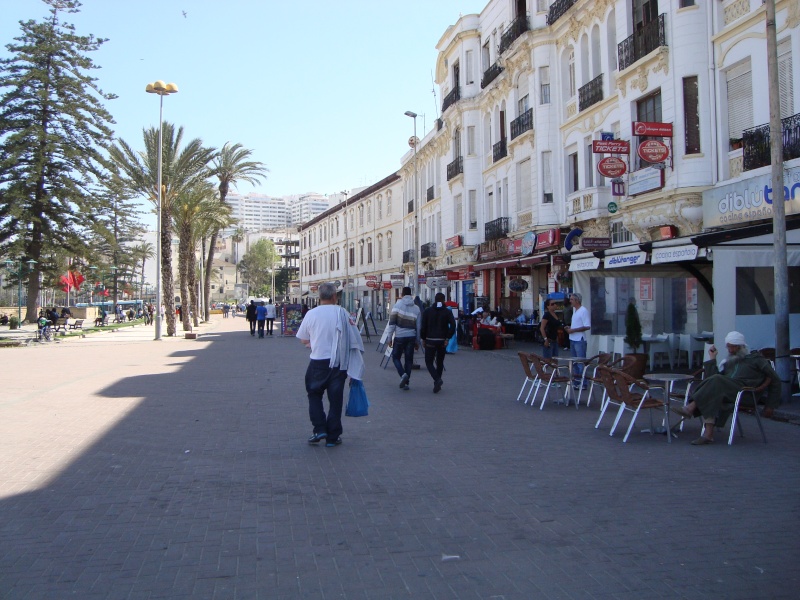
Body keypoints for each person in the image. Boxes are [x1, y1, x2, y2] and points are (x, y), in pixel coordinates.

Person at [672, 331, 780, 445]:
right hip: (727, 391)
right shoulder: (730, 362)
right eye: (728, 347)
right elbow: (711, 379)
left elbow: (776, 380)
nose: (730, 350)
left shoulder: (756, 359)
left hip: (745, 394)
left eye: (733, 347)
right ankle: (708, 435)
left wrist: (770, 405)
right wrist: (712, 359)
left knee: (717, 382)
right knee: (712, 392)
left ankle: (690, 408)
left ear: (741, 346)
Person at [296, 282, 364, 448]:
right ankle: (333, 436)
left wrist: (314, 342)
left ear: (319, 297)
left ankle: (319, 429)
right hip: (338, 363)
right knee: (335, 399)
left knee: (314, 394)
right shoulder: (343, 313)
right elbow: (354, 338)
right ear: (335, 296)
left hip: (318, 361)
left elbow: (304, 339)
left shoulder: (311, 314)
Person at [386, 286, 422, 391]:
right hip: (411, 336)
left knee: (396, 357)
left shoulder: (397, 306)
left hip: (400, 336)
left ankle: (403, 375)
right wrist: (417, 340)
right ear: (410, 295)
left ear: (402, 294)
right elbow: (418, 326)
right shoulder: (416, 308)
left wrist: (389, 338)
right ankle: (406, 382)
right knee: (409, 360)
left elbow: (392, 324)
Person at [420, 292, 457, 393]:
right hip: (442, 340)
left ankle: (437, 379)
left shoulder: (427, 311)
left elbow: (423, 327)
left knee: (428, 362)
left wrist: (423, 338)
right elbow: (453, 325)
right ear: (443, 300)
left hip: (430, 340)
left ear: (434, 300)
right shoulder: (447, 312)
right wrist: (447, 337)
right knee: (440, 362)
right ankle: (437, 383)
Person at [564, 292, 590, 388]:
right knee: (574, 362)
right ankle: (577, 381)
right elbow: (578, 324)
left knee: (580, 362)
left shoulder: (583, 311)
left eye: (571, 299)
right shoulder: (575, 311)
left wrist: (573, 330)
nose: (570, 301)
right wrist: (570, 327)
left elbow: (587, 326)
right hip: (573, 339)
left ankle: (584, 382)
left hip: (579, 339)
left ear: (577, 300)